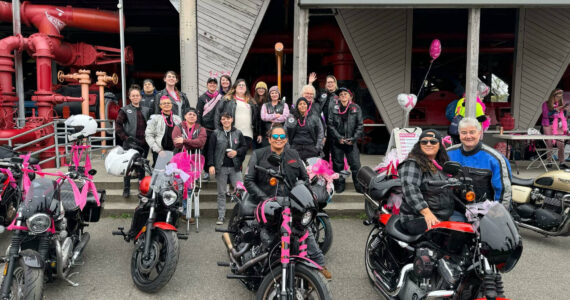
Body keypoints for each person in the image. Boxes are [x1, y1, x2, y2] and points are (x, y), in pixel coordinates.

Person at [244, 126, 331, 279]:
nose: (279, 139)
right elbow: (249, 180)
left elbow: (304, 178)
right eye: (275, 137)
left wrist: (301, 193)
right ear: (269, 138)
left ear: (286, 138)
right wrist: (264, 198)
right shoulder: (258, 154)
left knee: (306, 232)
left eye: (282, 136)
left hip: (290, 204)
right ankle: (260, 266)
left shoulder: (293, 154)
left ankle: (319, 264)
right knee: (266, 236)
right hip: (267, 203)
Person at [447, 117, 512, 211]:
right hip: (454, 211)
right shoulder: (448, 154)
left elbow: (503, 192)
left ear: (480, 133)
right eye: (464, 132)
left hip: (484, 212)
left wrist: (498, 214)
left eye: (472, 132)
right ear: (459, 134)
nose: (468, 136)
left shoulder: (495, 159)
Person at [398, 129, 455, 235]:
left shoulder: (441, 164)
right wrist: (426, 213)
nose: (428, 144)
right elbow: (411, 189)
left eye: (433, 141)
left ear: (440, 145)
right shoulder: (412, 163)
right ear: (419, 145)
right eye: (424, 142)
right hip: (417, 217)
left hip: (442, 214)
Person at [207, 112, 248, 225]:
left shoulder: (238, 133)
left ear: (232, 119)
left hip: (235, 167)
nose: (226, 121)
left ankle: (242, 215)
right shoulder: (215, 133)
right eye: (223, 119)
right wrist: (211, 165)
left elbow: (244, 147)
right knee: (221, 193)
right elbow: (210, 150)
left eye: (228, 119)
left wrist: (236, 152)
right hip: (221, 167)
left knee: (241, 192)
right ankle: (221, 216)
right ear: (220, 121)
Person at [116, 85, 150, 198]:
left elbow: (150, 125)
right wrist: (125, 138)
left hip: (143, 143)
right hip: (130, 142)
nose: (135, 97)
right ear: (130, 97)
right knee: (128, 167)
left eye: (137, 95)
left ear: (141, 97)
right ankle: (126, 189)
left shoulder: (146, 110)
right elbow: (118, 126)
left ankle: (142, 188)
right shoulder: (124, 110)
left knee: (142, 166)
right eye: (133, 95)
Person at [328, 87, 364, 193]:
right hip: (338, 142)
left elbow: (360, 125)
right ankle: (340, 185)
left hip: (351, 142)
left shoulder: (356, 108)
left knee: (355, 164)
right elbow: (330, 125)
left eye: (345, 94)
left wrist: (353, 139)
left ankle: (358, 186)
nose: (343, 96)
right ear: (338, 97)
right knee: (338, 165)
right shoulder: (334, 108)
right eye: (341, 95)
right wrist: (338, 137)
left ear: (349, 96)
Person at [215, 78, 261, 149]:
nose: (241, 86)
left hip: (247, 133)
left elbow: (257, 118)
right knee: (231, 156)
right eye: (239, 85)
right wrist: (218, 131)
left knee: (241, 156)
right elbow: (217, 114)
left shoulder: (252, 102)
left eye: (243, 85)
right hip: (232, 132)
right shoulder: (227, 99)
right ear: (235, 87)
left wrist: (259, 133)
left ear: (246, 88)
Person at [196, 77, 224, 180]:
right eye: (210, 83)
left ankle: (217, 170)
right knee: (206, 150)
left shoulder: (221, 97)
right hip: (205, 128)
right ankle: (206, 171)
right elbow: (198, 113)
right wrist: (199, 127)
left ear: (216, 85)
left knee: (218, 150)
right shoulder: (202, 98)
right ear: (207, 85)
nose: (212, 85)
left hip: (218, 128)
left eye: (214, 83)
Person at [308, 73, 339, 160]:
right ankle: (325, 171)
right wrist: (310, 83)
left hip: (334, 127)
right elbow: (311, 96)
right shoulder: (322, 93)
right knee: (323, 150)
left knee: (335, 152)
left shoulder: (339, 94)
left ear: (335, 83)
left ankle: (336, 171)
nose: (330, 84)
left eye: (331, 82)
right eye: (328, 82)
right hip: (322, 126)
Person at [146, 96, 182, 167]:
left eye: (168, 103)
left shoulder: (177, 118)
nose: (166, 105)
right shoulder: (155, 118)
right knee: (161, 174)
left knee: (174, 174)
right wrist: (158, 150)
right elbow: (148, 135)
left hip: (175, 151)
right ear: (160, 106)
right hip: (160, 151)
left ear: (171, 105)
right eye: (164, 103)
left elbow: (182, 133)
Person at [542, 89, 569, 168]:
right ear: (553, 96)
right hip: (548, 125)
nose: (558, 99)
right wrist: (555, 110)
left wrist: (565, 111)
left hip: (558, 125)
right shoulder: (546, 104)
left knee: (561, 143)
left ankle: (562, 162)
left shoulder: (561, 103)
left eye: (560, 97)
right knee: (549, 143)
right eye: (557, 97)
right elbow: (545, 115)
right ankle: (549, 161)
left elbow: (564, 115)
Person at [253, 81, 269, 149]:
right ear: (256, 90)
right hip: (255, 130)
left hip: (265, 130)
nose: (261, 89)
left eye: (263, 88)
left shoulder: (269, 102)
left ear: (266, 90)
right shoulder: (253, 101)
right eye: (259, 88)